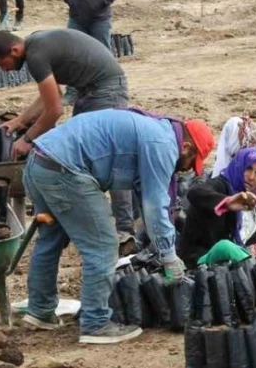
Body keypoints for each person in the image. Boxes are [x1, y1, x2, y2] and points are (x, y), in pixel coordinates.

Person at [21, 108, 214, 342]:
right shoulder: (163, 144)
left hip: (40, 162)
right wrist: (169, 255)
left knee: (51, 238)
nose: (186, 170)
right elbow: (154, 206)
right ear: (186, 147)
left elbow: (146, 197)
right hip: (65, 171)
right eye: (191, 163)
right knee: (102, 245)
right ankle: (95, 323)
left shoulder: (155, 130)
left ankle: (40, 311)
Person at [0, 29, 136, 242]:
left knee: (108, 157)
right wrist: (19, 121)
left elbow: (54, 110)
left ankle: (125, 229)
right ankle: (92, 221)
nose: (5, 70)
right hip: (88, 91)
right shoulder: (35, 44)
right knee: (82, 157)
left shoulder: (36, 56)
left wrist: (27, 140)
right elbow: (54, 96)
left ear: (15, 50)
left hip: (106, 91)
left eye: (2, 63)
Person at [178, 148, 256, 268]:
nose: (252, 177)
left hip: (225, 264)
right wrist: (227, 202)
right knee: (225, 247)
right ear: (238, 165)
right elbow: (194, 192)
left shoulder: (249, 200)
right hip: (197, 258)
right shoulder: (220, 184)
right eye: (248, 168)